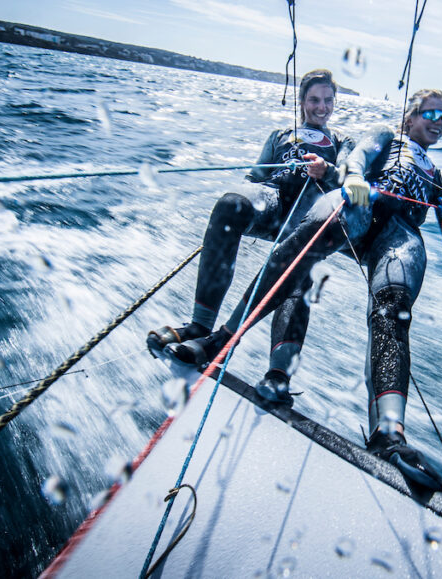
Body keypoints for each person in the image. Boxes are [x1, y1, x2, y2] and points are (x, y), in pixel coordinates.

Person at [181, 89, 442, 491]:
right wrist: (352, 177)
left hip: (400, 235)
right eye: (432, 112)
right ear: (412, 115)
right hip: (361, 204)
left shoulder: (439, 178)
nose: (438, 121)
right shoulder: (389, 136)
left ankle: (389, 436)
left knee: (392, 310)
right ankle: (220, 340)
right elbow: (360, 156)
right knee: (300, 249)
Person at [147, 69, 353, 397]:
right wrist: (235, 213)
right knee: (230, 205)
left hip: (307, 216)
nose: (322, 107)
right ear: (301, 102)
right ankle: (200, 325)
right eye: (314, 99)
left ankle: (278, 372)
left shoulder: (343, 142)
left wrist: (326, 171)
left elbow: (347, 175)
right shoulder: (280, 135)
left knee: (301, 264)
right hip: (271, 204)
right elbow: (256, 177)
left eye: (328, 100)